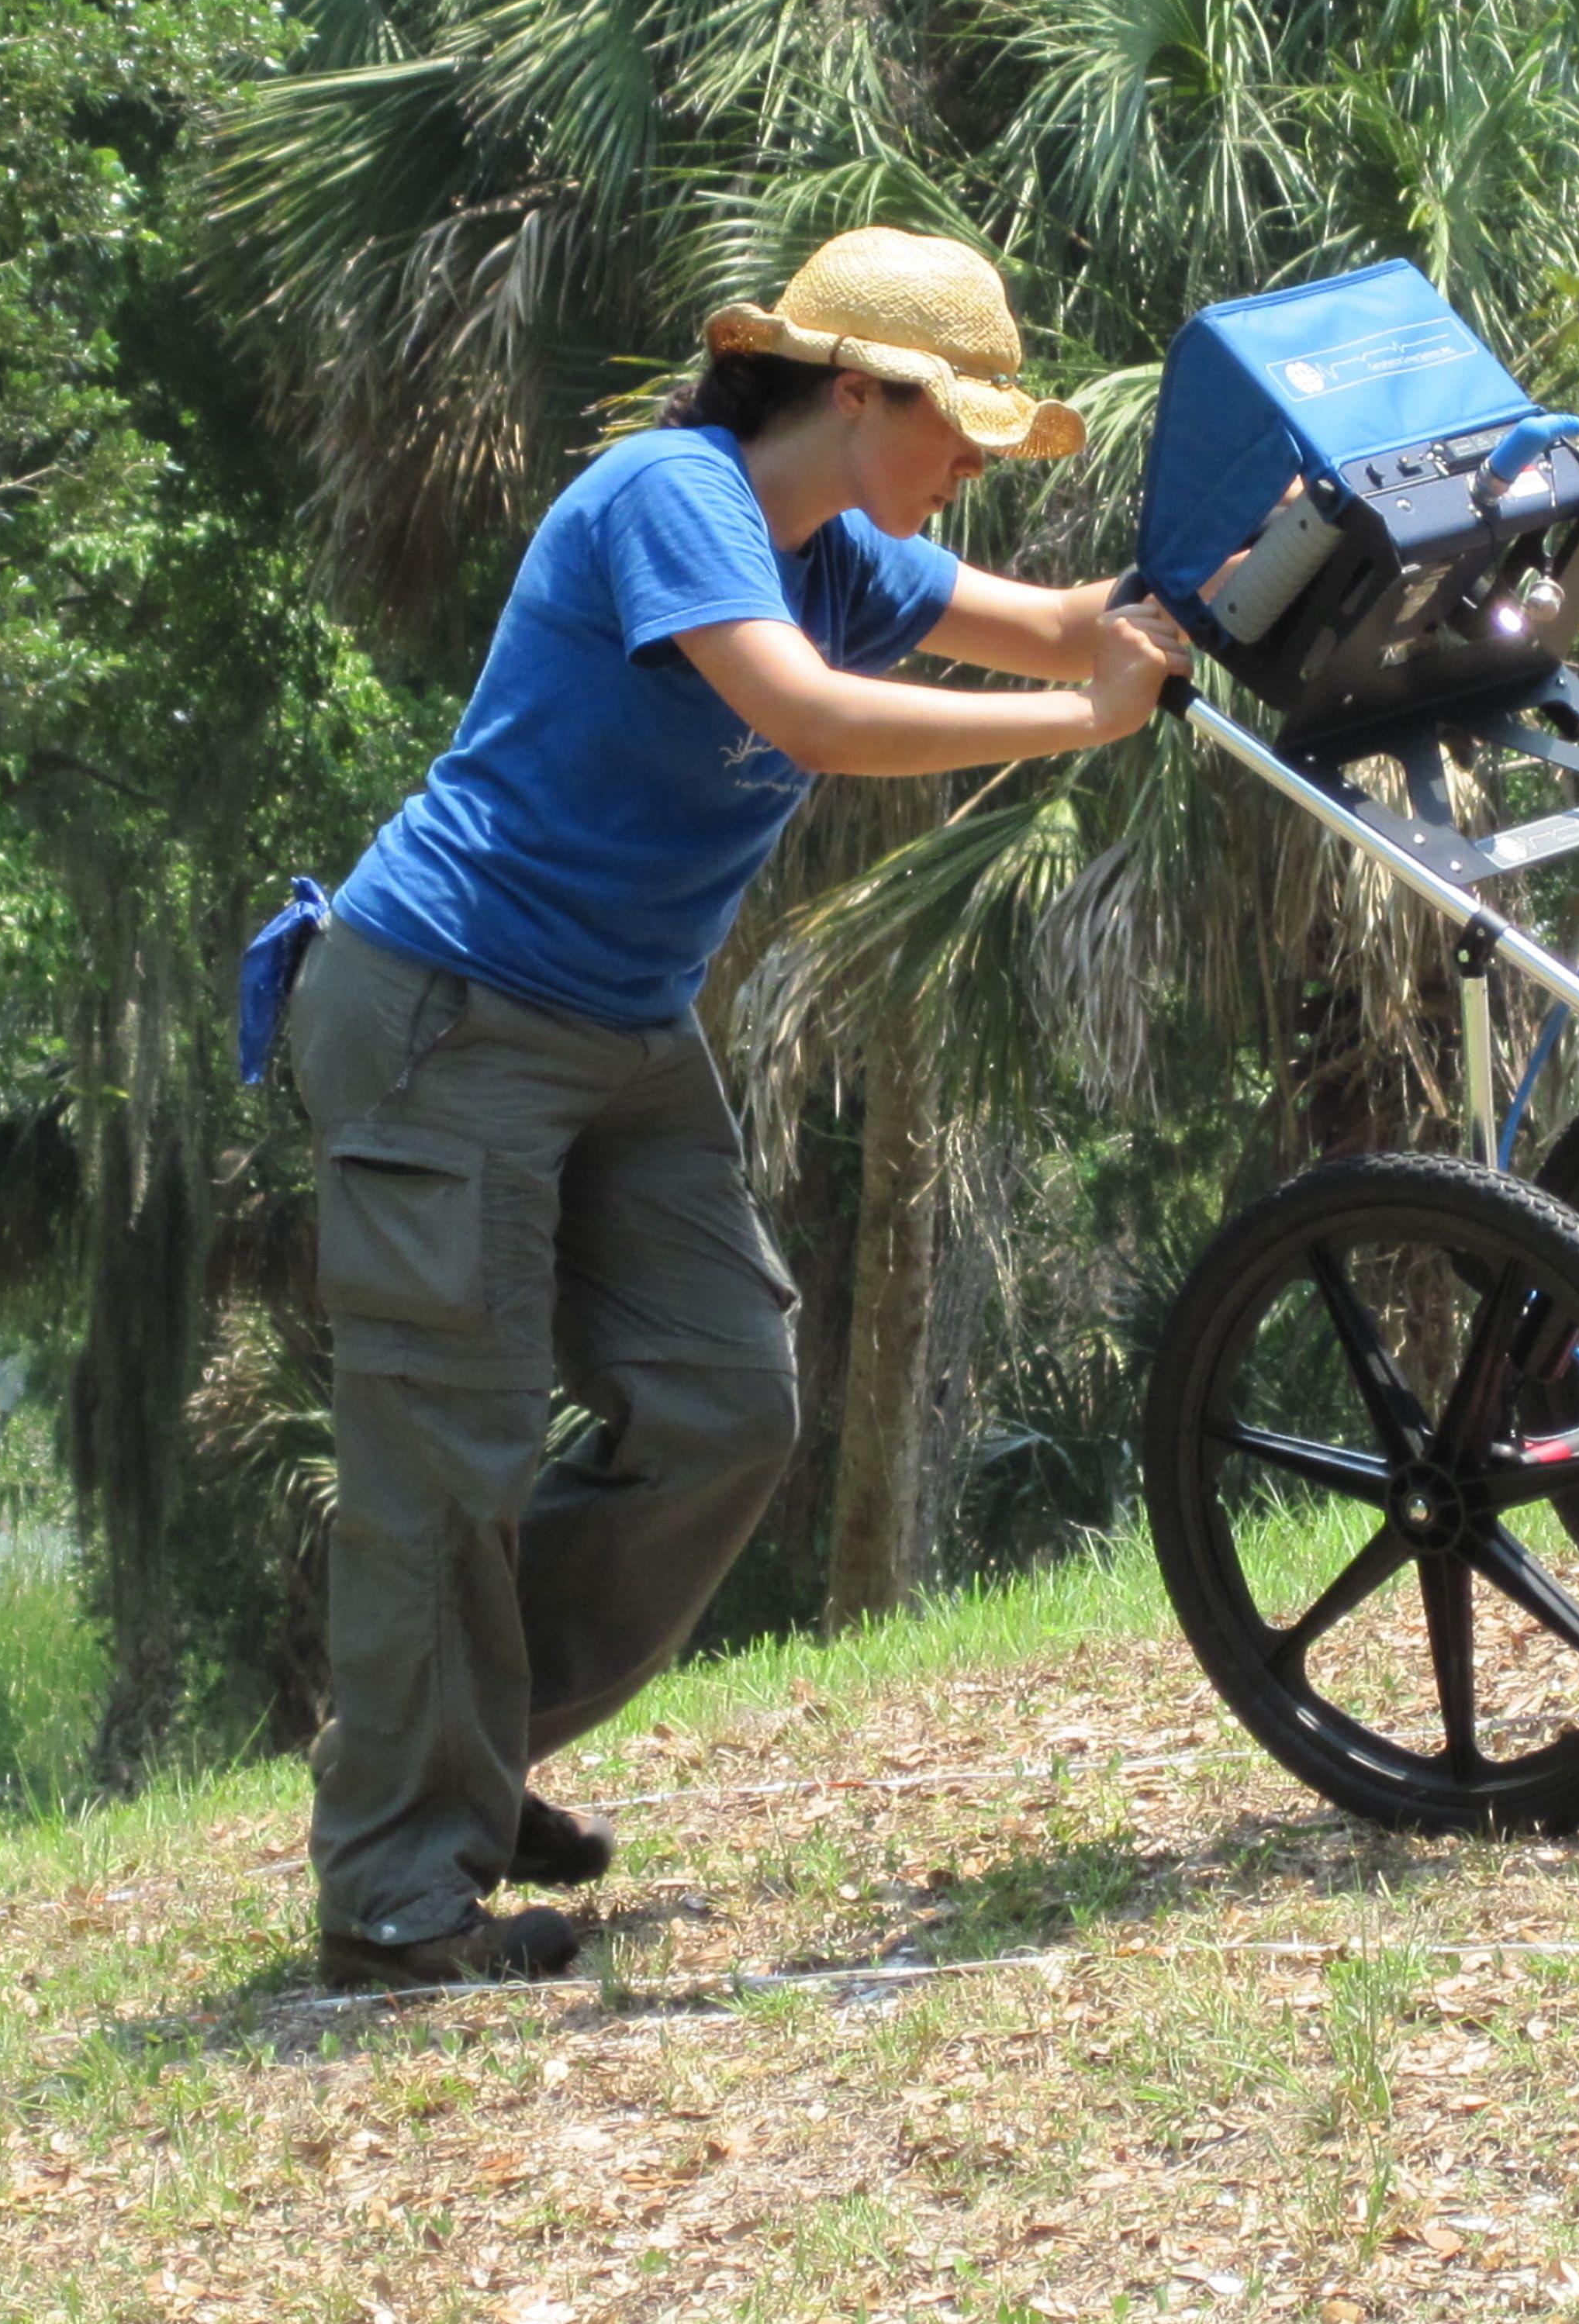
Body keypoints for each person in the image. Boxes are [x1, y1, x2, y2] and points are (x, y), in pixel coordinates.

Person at [287, 227, 1192, 1989]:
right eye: (958, 432)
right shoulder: (672, 497)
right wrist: (1080, 726)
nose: (974, 469)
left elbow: (1066, 624)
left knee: (722, 1409)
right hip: (443, 1013)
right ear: (849, 394)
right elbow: (813, 722)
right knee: (446, 1454)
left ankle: (452, 1750)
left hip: (623, 1024)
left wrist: (1220, 592)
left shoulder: (847, 550)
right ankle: (395, 1893)